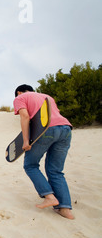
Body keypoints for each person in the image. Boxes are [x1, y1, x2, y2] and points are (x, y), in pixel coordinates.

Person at [14, 84, 74, 220]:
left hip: (46, 131)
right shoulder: (48, 97)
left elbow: (25, 116)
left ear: (18, 92)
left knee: (30, 165)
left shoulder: (20, 97)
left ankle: (49, 196)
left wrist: (25, 141)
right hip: (66, 129)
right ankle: (65, 209)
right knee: (56, 170)